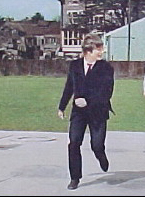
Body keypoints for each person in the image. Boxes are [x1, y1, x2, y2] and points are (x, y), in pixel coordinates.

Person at [58, 33, 114, 190]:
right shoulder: (75, 65)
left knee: (96, 145)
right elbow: (70, 86)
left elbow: (106, 91)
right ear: (88, 50)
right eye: (99, 49)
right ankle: (75, 177)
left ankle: (101, 157)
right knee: (74, 142)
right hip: (79, 113)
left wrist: (88, 101)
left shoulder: (106, 68)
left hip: (98, 112)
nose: (101, 52)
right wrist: (62, 106)